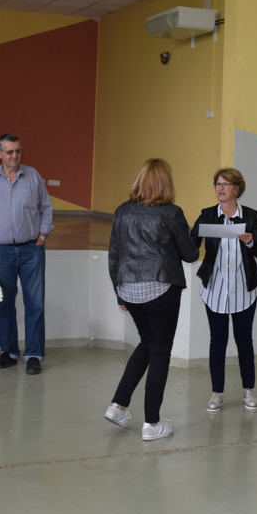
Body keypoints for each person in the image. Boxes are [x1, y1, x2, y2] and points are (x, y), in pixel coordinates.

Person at [105, 159, 199, 441]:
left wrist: (119, 292)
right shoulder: (172, 213)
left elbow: (114, 255)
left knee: (147, 344)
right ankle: (152, 424)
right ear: (165, 183)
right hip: (161, 289)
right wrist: (195, 235)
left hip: (129, 289)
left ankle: (118, 406)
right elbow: (190, 255)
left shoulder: (122, 210)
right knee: (159, 352)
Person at [0, 134, 53, 375]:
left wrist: (42, 238)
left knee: (35, 303)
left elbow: (46, 209)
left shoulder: (33, 176)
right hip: (1, 250)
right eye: (9, 152)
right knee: (3, 303)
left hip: (31, 250)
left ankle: (34, 354)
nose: (14, 156)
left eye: (18, 151)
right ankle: (8, 351)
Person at [190, 168, 257, 413]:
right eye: (217, 184)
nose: (220, 188)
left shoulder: (252, 216)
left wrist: (250, 241)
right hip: (215, 289)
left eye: (225, 183)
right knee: (217, 341)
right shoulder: (207, 215)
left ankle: (248, 389)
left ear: (237, 188)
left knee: (244, 340)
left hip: (244, 289)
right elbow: (191, 245)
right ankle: (217, 392)